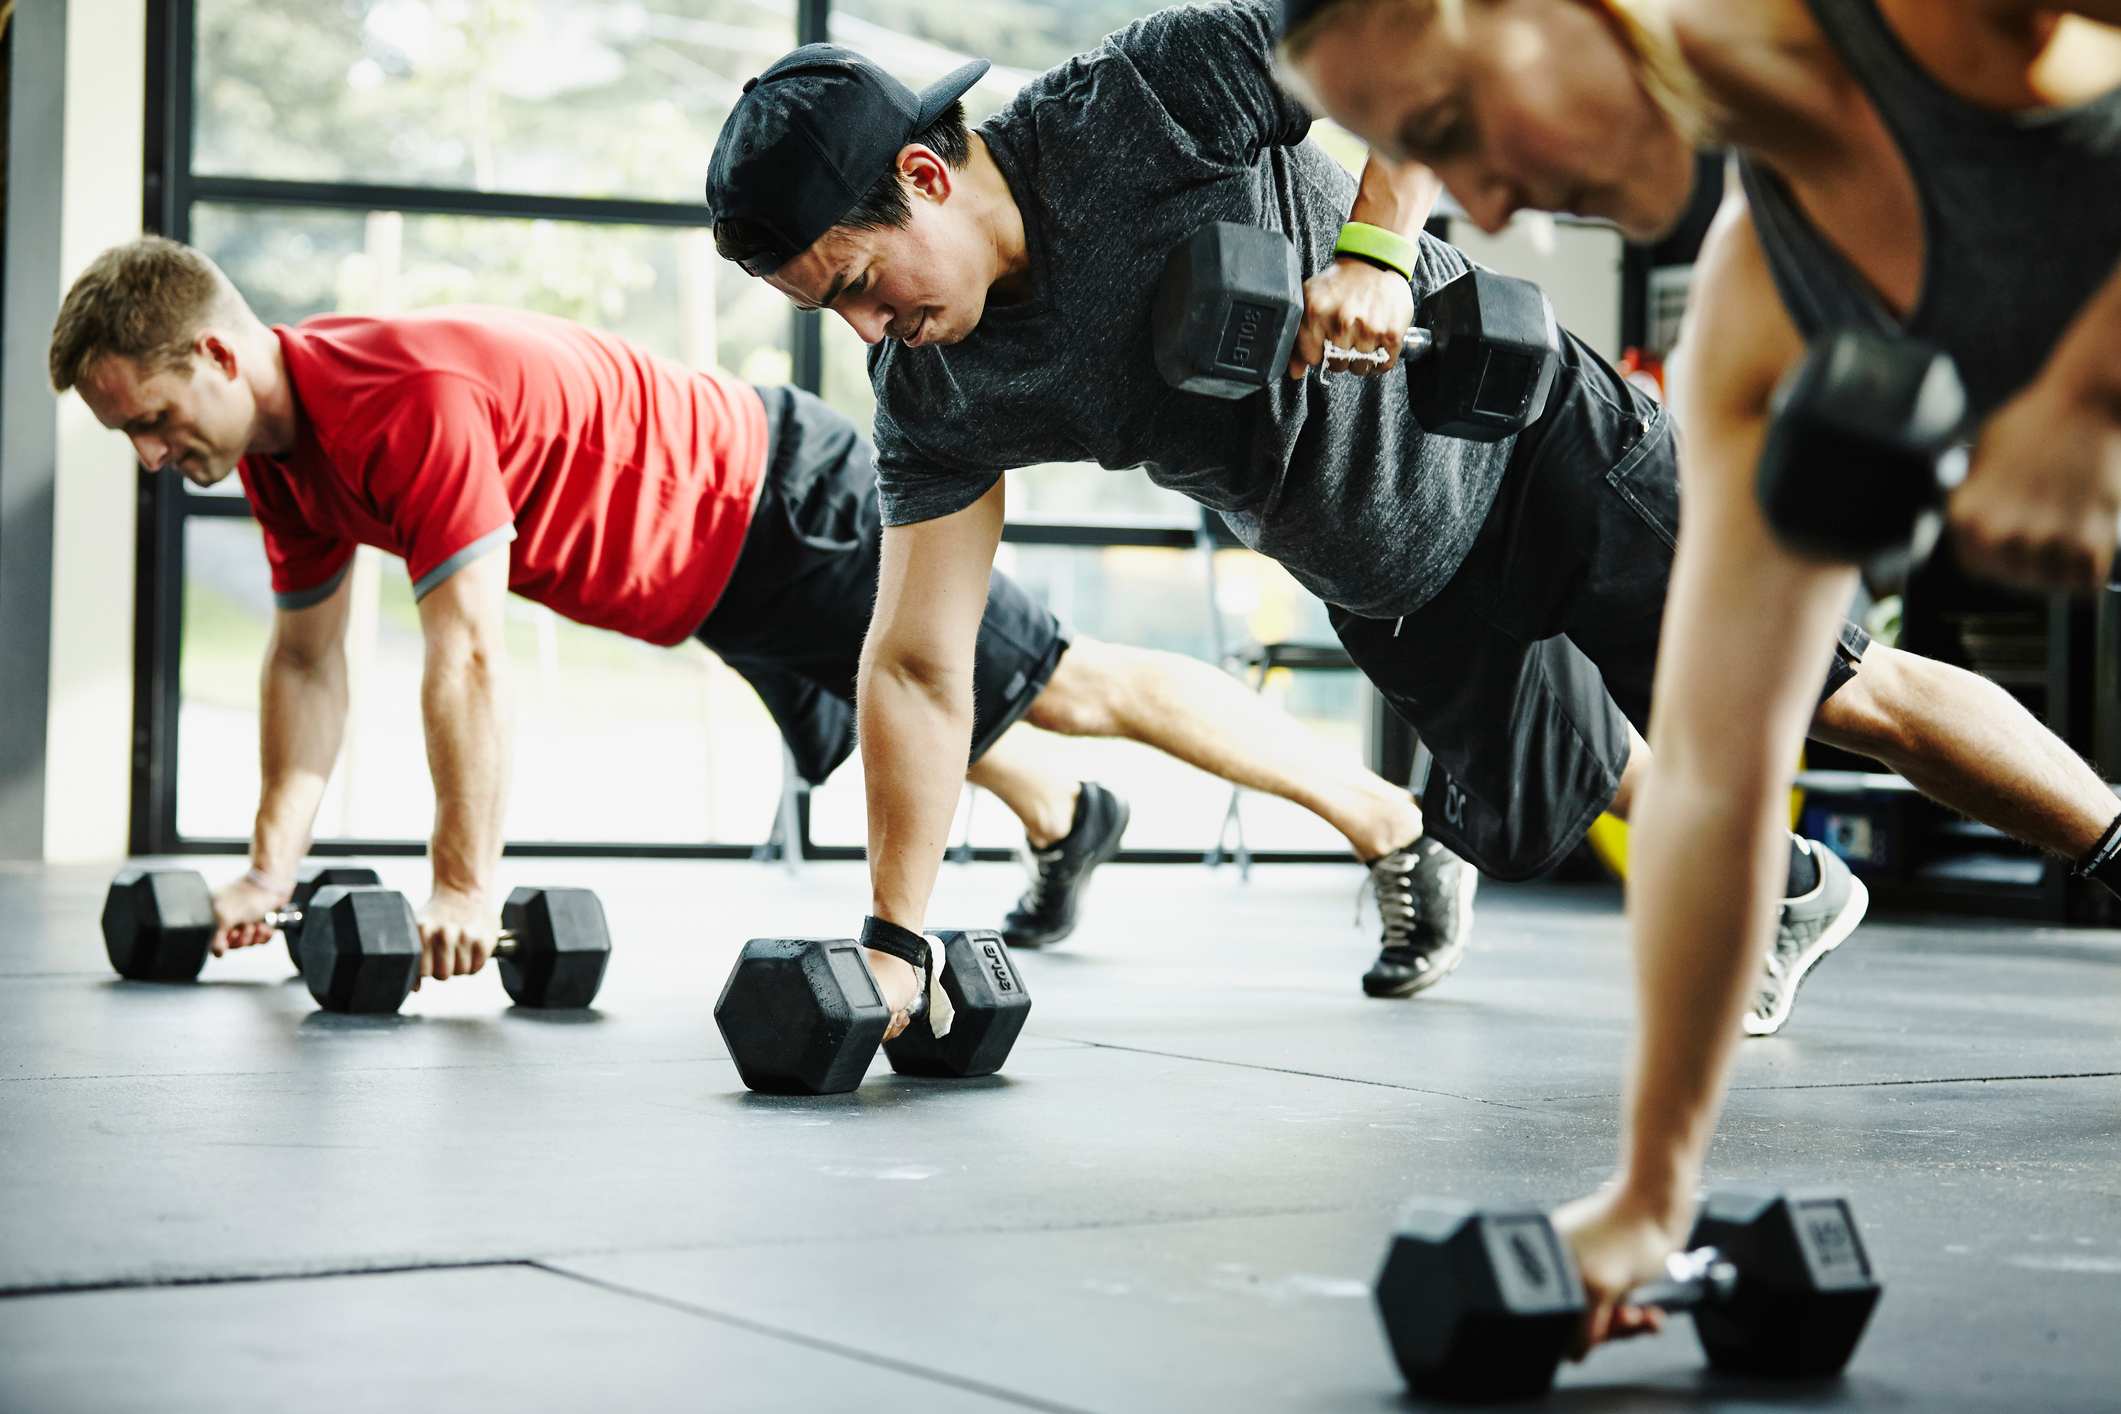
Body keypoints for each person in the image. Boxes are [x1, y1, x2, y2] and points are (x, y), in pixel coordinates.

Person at [705, 0, 2121, 1058]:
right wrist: (896, 936)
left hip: (1528, 449)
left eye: (860, 280)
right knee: (1539, 806)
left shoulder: (1137, 102)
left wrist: (1376, 245)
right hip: (1382, 571)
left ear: (928, 175)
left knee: (1833, 692)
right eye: (829, 311)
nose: (867, 326)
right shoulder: (938, 388)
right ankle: (1794, 888)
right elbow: (913, 662)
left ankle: (2108, 842)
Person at [1276, 0, 2121, 1356]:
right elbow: (1717, 768)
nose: (1484, 208)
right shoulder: (1761, 301)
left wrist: (2085, 392)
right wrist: (1647, 1194)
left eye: (1448, 133)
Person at [49, 235, 1448, 982]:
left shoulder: (398, 402)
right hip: (713, 577)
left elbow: (466, 653)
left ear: (220, 350)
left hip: (780, 502)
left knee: (1063, 679)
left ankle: (1392, 826)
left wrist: (465, 879)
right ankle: (1062, 815)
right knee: (942, 713)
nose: (159, 459)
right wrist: (266, 868)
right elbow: (305, 662)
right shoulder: (282, 456)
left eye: (159, 420)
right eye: (135, 440)